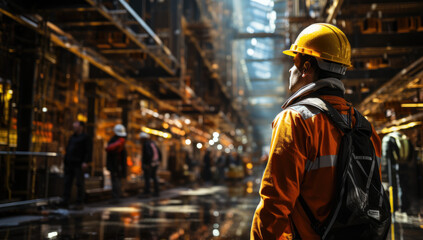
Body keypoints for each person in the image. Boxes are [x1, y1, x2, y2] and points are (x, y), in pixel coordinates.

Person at [251, 23, 382, 239]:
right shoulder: (364, 127)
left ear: (307, 68)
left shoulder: (295, 120)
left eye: (295, 62)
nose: (291, 69)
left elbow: (275, 202)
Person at [62, 121, 92, 210]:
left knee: (79, 183)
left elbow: (88, 150)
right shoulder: (72, 137)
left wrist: (86, 161)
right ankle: (65, 201)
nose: (74, 128)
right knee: (67, 182)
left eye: (76, 126)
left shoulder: (85, 137)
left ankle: (79, 202)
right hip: (70, 163)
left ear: (81, 127)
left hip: (79, 163)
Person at [106, 124, 127, 203]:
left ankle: (116, 197)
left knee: (115, 181)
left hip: (115, 165)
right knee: (116, 181)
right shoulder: (121, 142)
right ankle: (116, 196)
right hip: (117, 165)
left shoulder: (117, 142)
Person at [139, 132, 161, 197]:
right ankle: (156, 191)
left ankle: (147, 192)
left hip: (150, 164)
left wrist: (147, 164)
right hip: (155, 163)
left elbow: (148, 154)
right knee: (154, 177)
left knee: (147, 178)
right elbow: (159, 153)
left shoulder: (146, 144)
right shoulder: (153, 143)